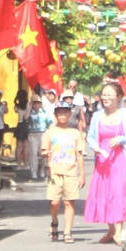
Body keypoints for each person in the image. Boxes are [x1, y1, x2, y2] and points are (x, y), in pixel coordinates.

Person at [85, 83, 126, 243]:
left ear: (119, 97)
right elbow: (91, 137)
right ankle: (111, 229)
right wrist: (95, 148)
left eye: (109, 95)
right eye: (104, 95)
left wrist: (121, 139)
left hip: (120, 159)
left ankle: (119, 231)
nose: (105, 98)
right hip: (102, 160)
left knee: (119, 192)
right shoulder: (97, 116)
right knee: (105, 193)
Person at [42, 103, 86, 243]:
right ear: (55, 115)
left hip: (71, 172)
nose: (63, 115)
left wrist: (82, 174)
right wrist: (45, 153)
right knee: (55, 202)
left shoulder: (75, 133)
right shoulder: (49, 132)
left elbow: (79, 154)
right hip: (54, 172)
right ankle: (54, 221)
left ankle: (67, 232)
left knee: (69, 202)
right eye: (59, 113)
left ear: (69, 114)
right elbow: (44, 150)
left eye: (65, 112)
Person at [26, 95, 53, 181]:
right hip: (33, 135)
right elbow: (25, 117)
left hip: (43, 134)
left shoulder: (44, 112)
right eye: (35, 103)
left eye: (38, 103)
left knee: (43, 154)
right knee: (33, 153)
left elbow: (50, 123)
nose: (36, 105)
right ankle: (34, 171)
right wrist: (29, 107)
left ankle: (41, 170)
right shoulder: (30, 112)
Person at [14, 89, 30, 167]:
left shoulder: (17, 105)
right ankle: (26, 164)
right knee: (26, 145)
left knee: (19, 146)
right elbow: (27, 115)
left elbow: (16, 110)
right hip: (26, 125)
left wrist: (16, 100)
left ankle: (19, 164)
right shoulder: (28, 104)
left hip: (20, 125)